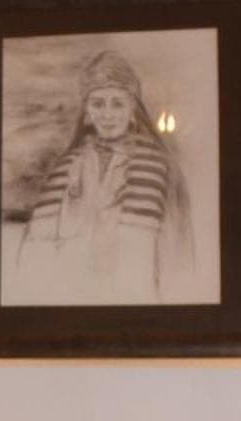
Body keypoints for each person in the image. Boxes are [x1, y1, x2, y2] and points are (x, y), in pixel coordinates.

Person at [19, 49, 192, 303]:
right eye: (98, 103)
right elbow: (37, 248)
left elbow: (177, 252)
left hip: (136, 298)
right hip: (70, 298)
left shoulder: (157, 166)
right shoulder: (67, 166)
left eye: (117, 103)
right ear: (86, 112)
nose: (107, 114)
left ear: (133, 110)